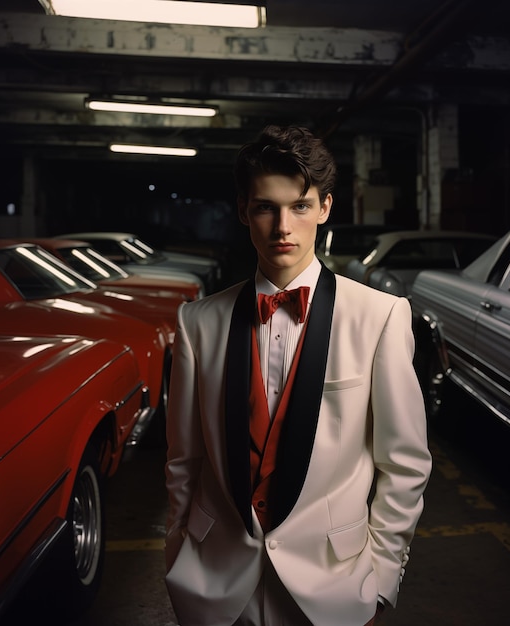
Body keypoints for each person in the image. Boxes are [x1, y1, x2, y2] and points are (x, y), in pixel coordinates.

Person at [164, 125, 432, 626]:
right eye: (266, 207)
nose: (282, 226)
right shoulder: (197, 322)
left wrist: (380, 576)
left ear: (325, 208)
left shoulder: (380, 316)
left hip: (333, 586)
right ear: (244, 210)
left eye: (300, 206)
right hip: (214, 584)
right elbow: (184, 457)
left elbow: (405, 464)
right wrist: (176, 552)